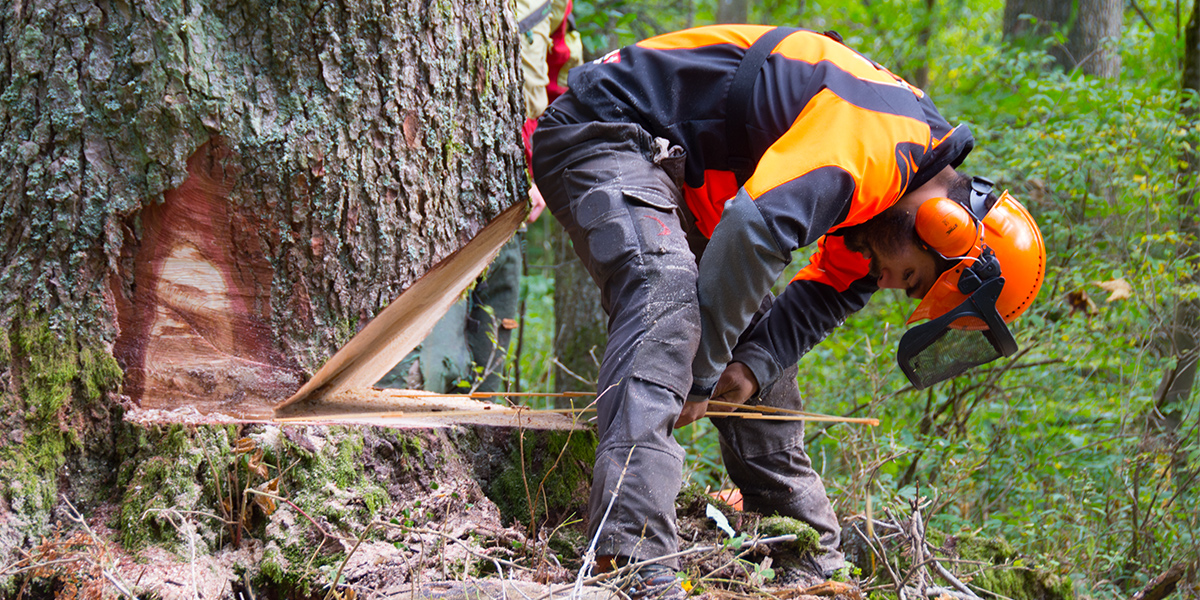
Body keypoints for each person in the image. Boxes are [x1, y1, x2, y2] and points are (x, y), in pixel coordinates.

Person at [531, 24, 1044, 597]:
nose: (888, 282)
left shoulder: (887, 195)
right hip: (607, 130)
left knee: (757, 350)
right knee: (667, 294)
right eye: (911, 277)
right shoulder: (877, 147)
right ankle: (631, 560)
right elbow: (754, 228)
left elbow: (827, 289)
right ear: (940, 228)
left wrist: (750, 366)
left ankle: (809, 557)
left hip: (684, 182)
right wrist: (699, 376)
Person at [378, 0, 581, 393]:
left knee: (490, 365)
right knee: (430, 369)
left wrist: (543, 170)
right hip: (420, 197)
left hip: (509, 189)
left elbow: (561, 84)